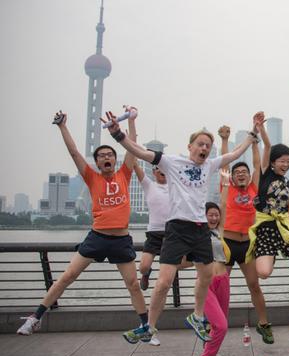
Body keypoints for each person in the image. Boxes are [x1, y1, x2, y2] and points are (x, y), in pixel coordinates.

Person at [109, 109, 258, 343]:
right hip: (177, 228)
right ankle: (150, 326)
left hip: (200, 229)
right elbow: (140, 151)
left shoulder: (210, 165)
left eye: (208, 146)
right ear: (190, 146)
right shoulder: (171, 162)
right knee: (163, 282)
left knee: (207, 275)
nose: (205, 149)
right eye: (201, 144)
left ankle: (197, 316)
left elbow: (236, 153)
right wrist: (118, 135)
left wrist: (252, 134)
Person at [18, 109, 148, 336]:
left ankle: (146, 326)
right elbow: (74, 152)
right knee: (68, 276)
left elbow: (133, 147)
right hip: (97, 237)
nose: (107, 157)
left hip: (121, 240)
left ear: (115, 159)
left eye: (110, 154)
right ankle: (35, 317)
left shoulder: (124, 174)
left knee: (133, 285)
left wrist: (133, 122)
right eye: (102, 156)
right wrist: (62, 126)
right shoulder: (92, 177)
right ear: (97, 162)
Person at [218, 122, 274, 344]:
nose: (241, 174)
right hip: (228, 244)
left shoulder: (253, 188)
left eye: (244, 172)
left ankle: (263, 324)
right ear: (231, 177)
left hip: (248, 245)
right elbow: (225, 161)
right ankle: (215, 325)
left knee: (254, 285)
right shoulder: (227, 187)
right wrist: (224, 139)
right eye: (237, 173)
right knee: (221, 287)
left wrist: (255, 137)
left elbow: (258, 162)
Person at [246, 113, 289, 285]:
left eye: (288, 161)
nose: (286, 164)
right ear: (273, 162)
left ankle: (280, 249)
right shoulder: (265, 174)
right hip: (266, 229)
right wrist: (260, 128)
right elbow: (267, 146)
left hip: (284, 227)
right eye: (282, 161)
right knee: (264, 273)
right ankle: (268, 255)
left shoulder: (287, 183)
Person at [180, 169, 234, 356]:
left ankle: (210, 350)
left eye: (215, 215)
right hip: (206, 283)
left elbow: (224, 206)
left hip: (223, 280)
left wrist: (226, 185)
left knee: (218, 322)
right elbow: (183, 261)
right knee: (221, 325)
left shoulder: (218, 231)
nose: (213, 217)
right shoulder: (196, 235)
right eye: (209, 215)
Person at [135, 162, 168, 293]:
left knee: (170, 268)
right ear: (154, 172)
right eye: (159, 168)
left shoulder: (175, 186)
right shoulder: (149, 185)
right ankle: (146, 273)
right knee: (143, 267)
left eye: (165, 168)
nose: (162, 171)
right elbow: (135, 167)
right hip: (154, 233)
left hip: (172, 233)